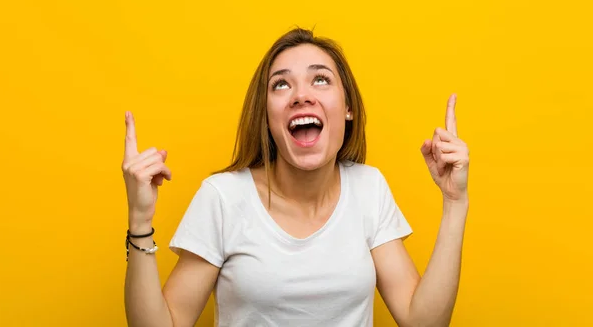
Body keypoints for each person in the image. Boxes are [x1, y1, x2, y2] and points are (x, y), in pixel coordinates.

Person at [122, 28, 470, 327]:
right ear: (267, 116)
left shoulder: (369, 188)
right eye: (281, 84)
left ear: (347, 108)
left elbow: (422, 320)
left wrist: (455, 202)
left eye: (320, 79)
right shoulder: (223, 197)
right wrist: (139, 219)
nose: (302, 95)